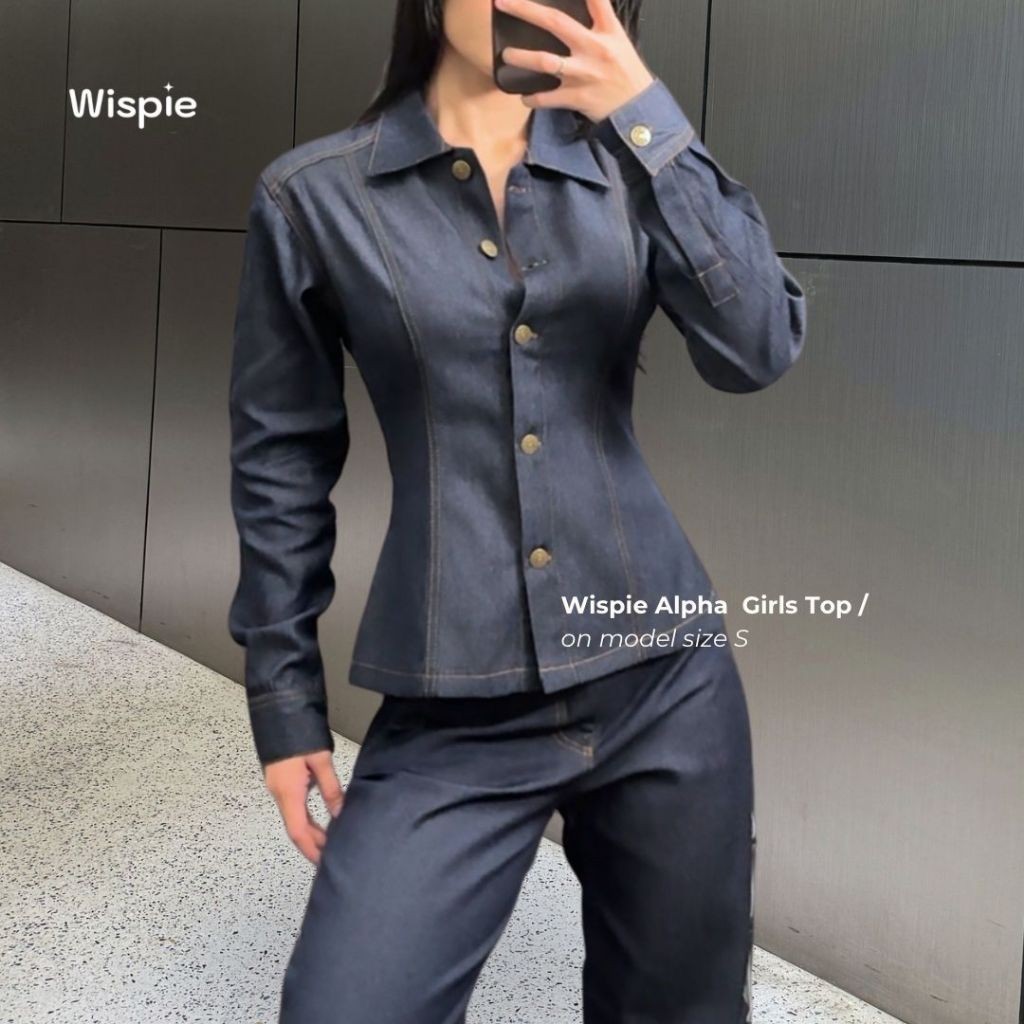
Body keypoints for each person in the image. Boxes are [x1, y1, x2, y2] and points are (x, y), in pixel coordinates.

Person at [227, 0, 807, 1020]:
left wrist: (645, 116)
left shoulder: (632, 164)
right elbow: (281, 460)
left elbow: (756, 347)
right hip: (454, 692)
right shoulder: (313, 196)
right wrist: (283, 702)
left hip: (665, 679)